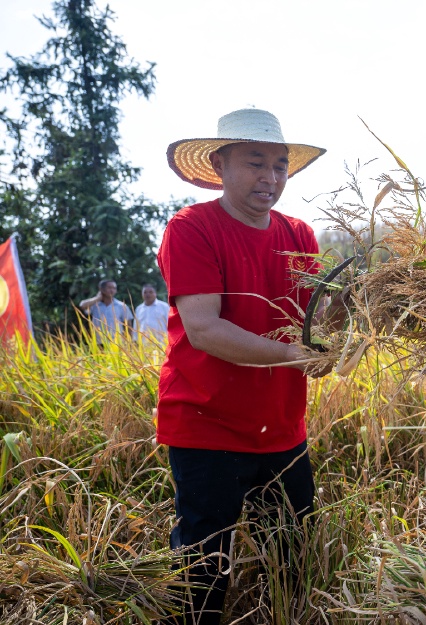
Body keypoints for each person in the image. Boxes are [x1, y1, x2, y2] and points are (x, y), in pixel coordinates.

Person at [157, 108, 329, 625]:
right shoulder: (191, 228)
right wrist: (299, 355)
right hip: (206, 426)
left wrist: (365, 314)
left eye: (279, 166)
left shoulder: (300, 235)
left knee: (292, 561)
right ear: (219, 163)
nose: (271, 178)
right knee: (204, 571)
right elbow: (206, 330)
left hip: (281, 427)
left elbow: (313, 322)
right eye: (256, 163)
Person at [78, 279, 133, 345]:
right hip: (98, 343)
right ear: (102, 289)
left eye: (114, 288)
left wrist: (129, 342)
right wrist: (97, 298)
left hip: (117, 343)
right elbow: (82, 305)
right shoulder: (94, 305)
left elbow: (129, 325)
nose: (112, 290)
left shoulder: (121, 306)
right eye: (109, 288)